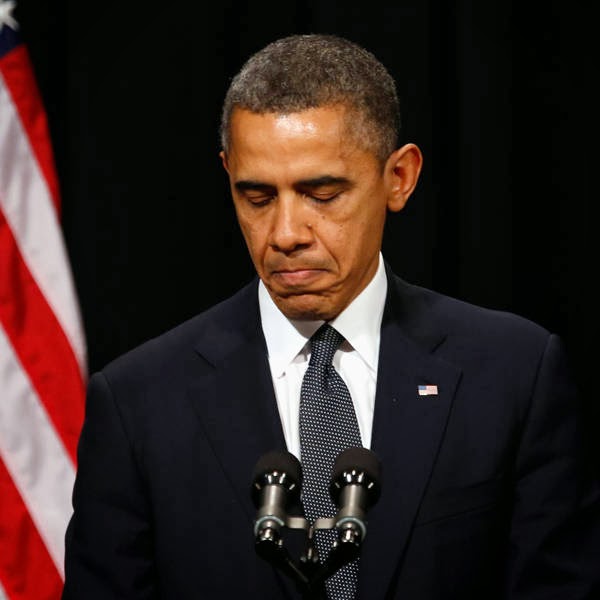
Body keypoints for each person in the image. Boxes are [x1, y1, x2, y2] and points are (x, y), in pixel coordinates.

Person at [62, 33, 600, 599]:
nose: (286, 234)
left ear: (399, 177)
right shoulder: (138, 404)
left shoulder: (514, 375)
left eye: (322, 193)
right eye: (257, 196)